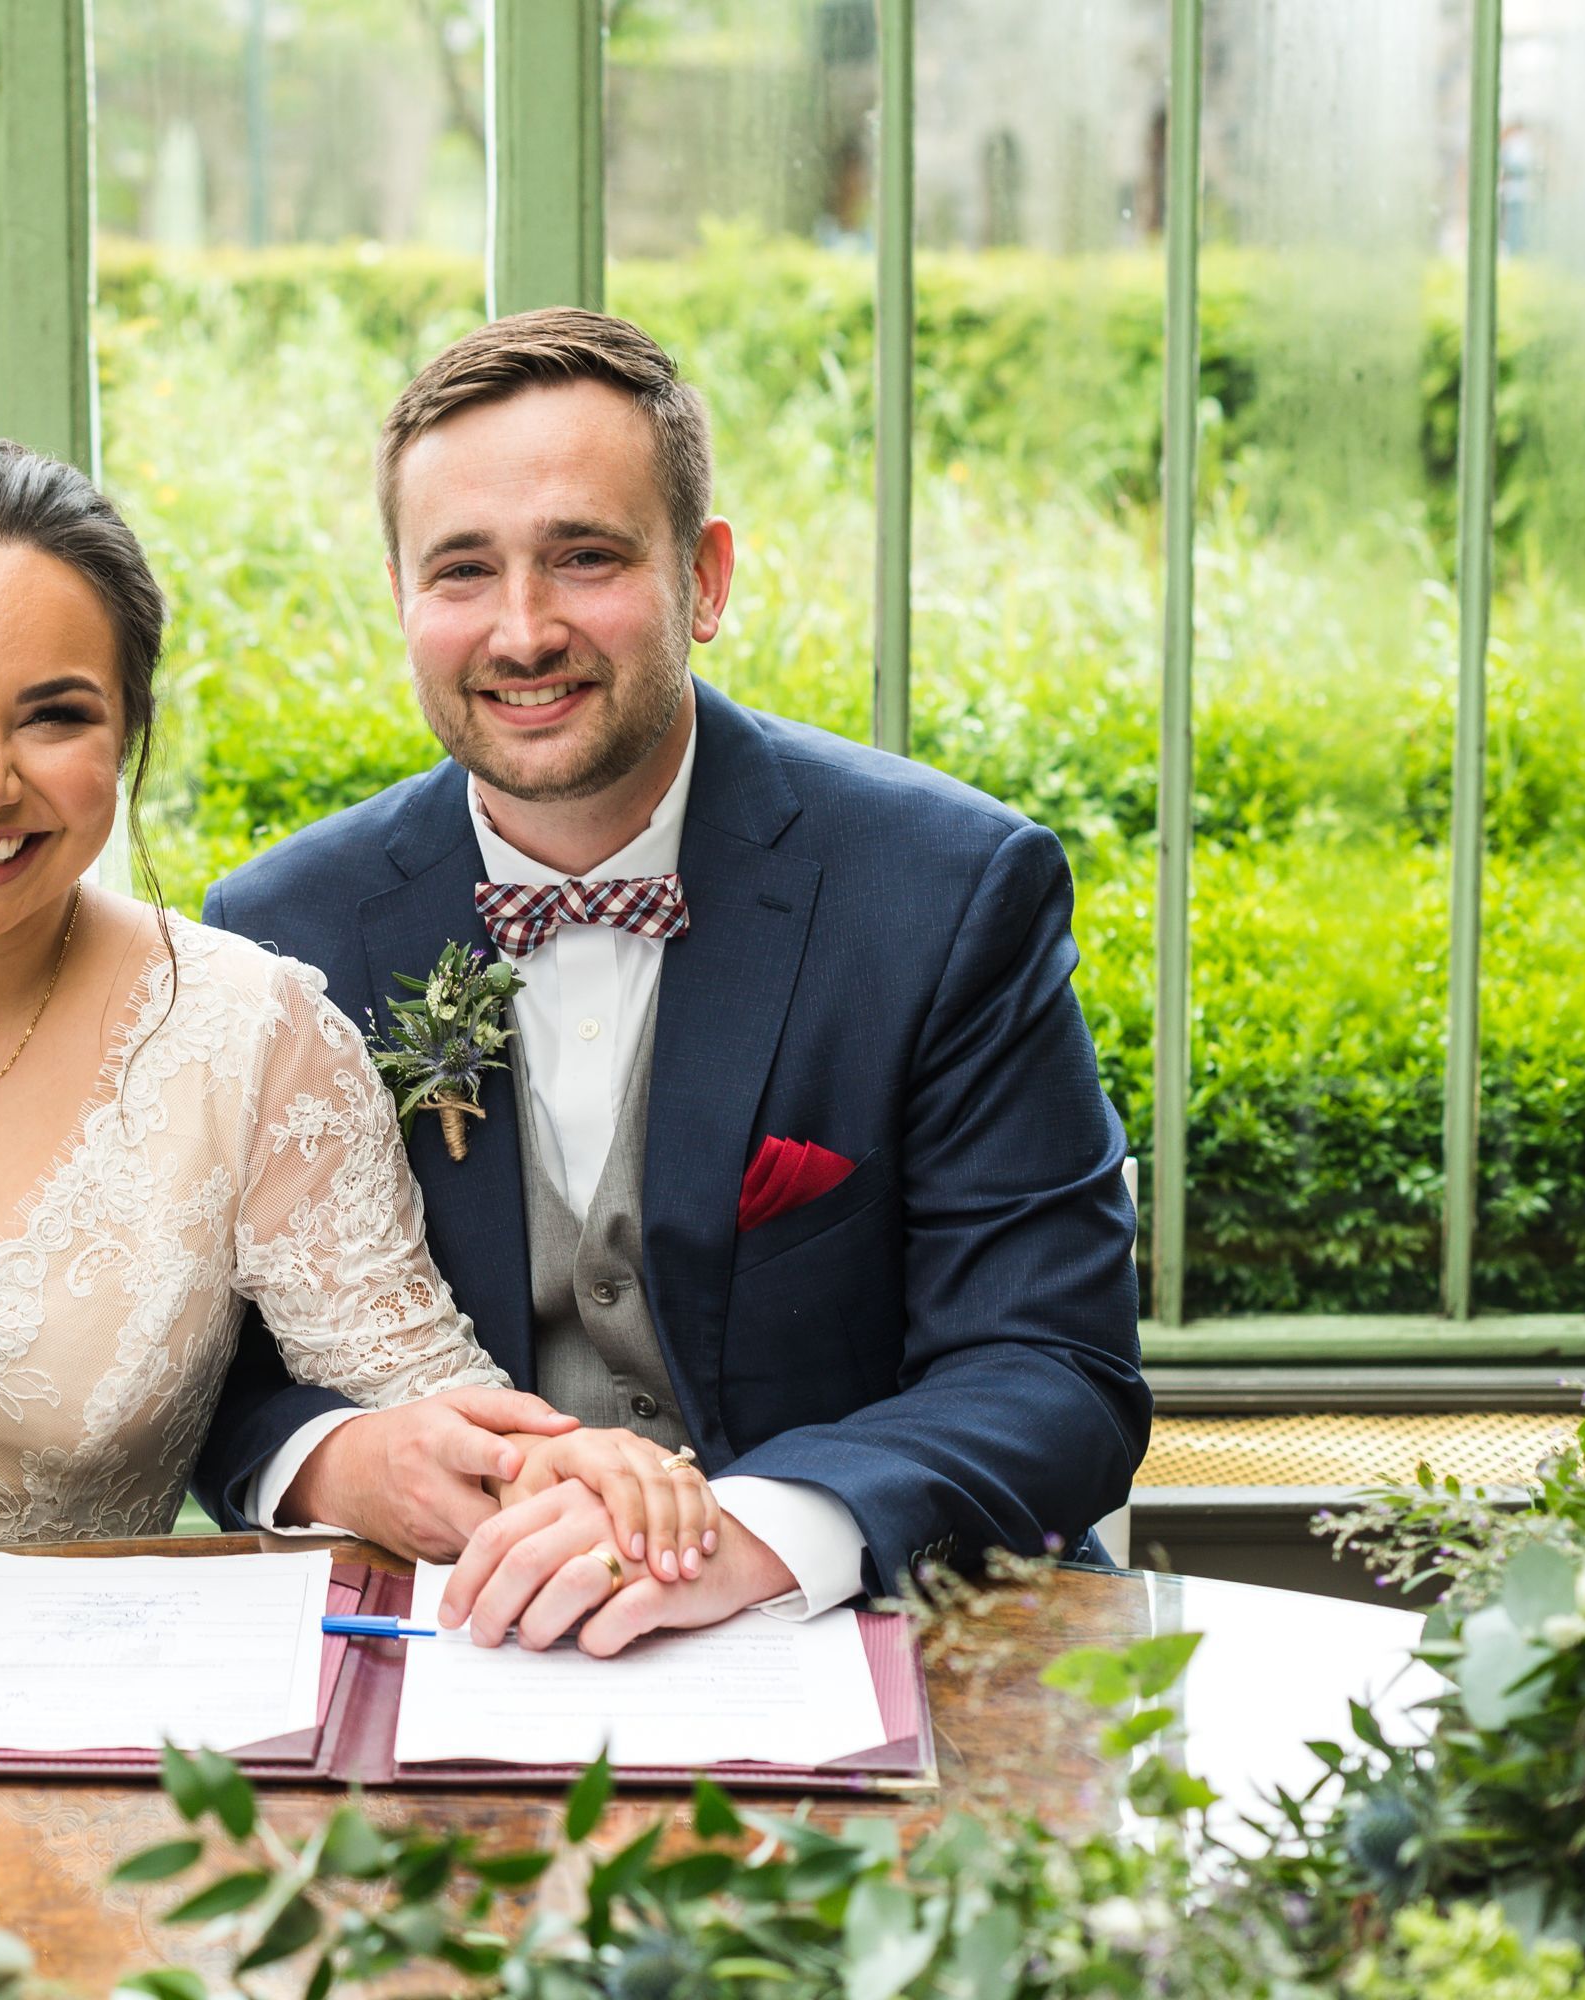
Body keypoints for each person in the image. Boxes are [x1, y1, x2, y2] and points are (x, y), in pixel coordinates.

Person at [0, 437, 713, 1564]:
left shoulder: (249, 1034)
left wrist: (582, 1478)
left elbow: (418, 1386)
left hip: (69, 1736)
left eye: (57, 716)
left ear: (128, 736)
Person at [194, 309, 1150, 1653]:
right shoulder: (284, 932)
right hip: (461, 1650)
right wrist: (344, 1465)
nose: (523, 631)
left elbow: (1056, 1374)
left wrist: (758, 1537)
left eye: (585, 557)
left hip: (882, 1628)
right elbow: (217, 1377)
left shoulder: (945, 892)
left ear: (704, 579)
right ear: (403, 598)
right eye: (462, 570)